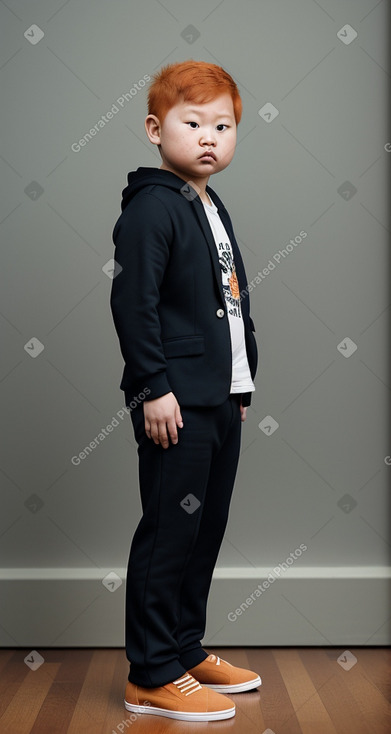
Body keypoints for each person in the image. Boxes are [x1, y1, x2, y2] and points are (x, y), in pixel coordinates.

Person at [110, 59, 261, 723]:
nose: (209, 137)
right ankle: (149, 673)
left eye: (222, 125)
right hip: (174, 398)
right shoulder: (152, 208)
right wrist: (153, 388)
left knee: (205, 528)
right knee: (171, 529)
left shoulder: (207, 201)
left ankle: (182, 647)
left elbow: (225, 302)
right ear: (153, 129)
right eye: (191, 122)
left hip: (218, 395)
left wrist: (241, 379)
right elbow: (134, 305)